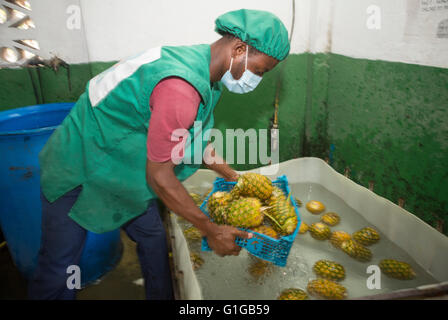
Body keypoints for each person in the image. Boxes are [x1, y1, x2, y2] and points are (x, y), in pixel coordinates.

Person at [28, 8, 290, 300]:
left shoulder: (203, 69)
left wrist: (233, 176)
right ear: (239, 49)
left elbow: (190, 138)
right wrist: (210, 229)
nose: (257, 79)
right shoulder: (181, 88)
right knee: (62, 265)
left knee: (153, 237)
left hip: (123, 169)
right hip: (81, 168)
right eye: (260, 70)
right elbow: (160, 176)